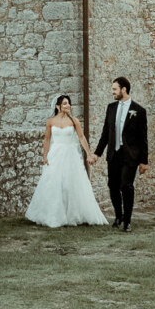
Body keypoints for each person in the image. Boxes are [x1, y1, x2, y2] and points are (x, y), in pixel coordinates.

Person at [25, 95, 109, 228]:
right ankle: (53, 214)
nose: (68, 106)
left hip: (70, 155)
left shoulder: (74, 120)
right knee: (54, 183)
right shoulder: (51, 121)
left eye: (69, 103)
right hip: (56, 155)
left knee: (71, 184)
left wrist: (88, 154)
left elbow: (81, 137)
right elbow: (47, 139)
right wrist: (45, 155)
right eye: (65, 104)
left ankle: (73, 215)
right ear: (58, 106)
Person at [93, 77, 148, 232]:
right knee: (113, 186)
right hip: (114, 154)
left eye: (114, 89)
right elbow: (105, 133)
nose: (112, 92)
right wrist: (97, 153)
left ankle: (127, 222)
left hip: (130, 155)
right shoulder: (111, 108)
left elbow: (143, 138)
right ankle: (119, 216)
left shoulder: (139, 110)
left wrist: (144, 161)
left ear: (124, 89)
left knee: (126, 185)